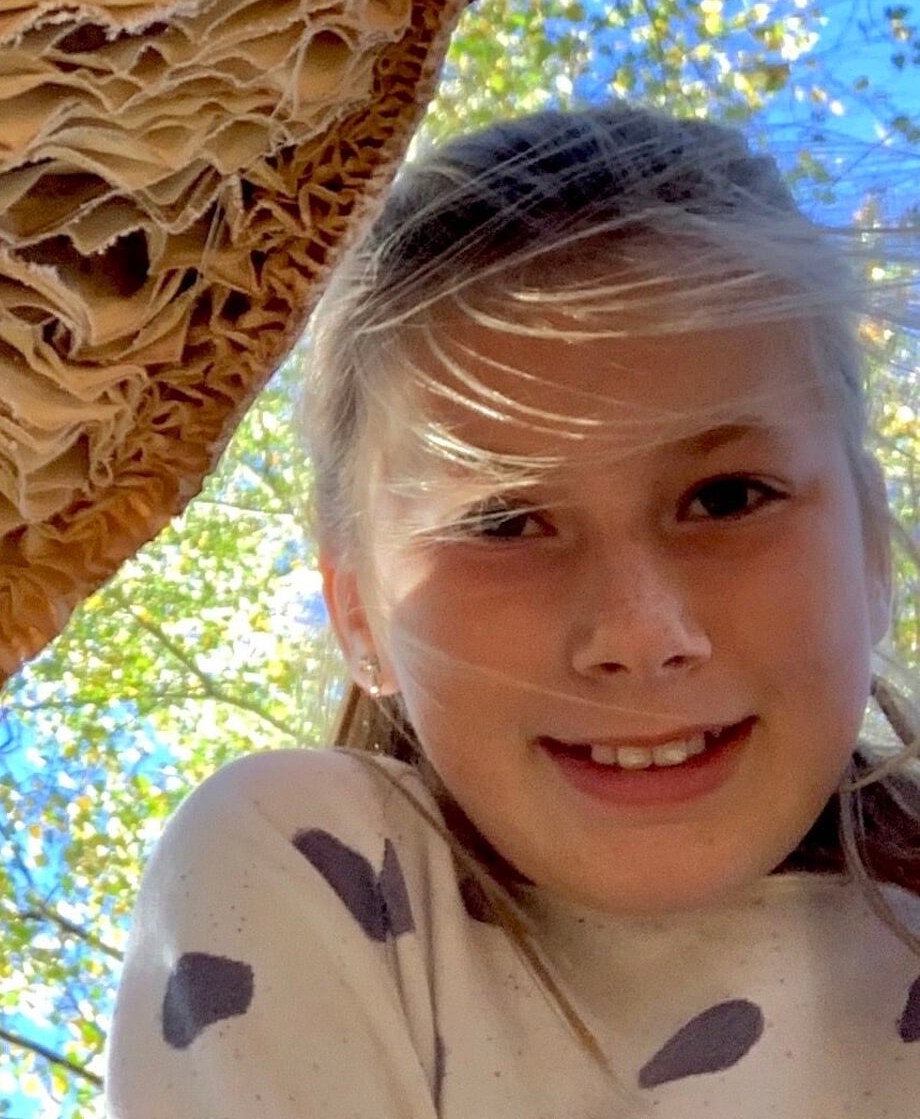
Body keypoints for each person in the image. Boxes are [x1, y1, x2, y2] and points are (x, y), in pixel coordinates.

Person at [103, 106, 920, 1117]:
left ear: (873, 548)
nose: (639, 632)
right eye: (504, 521)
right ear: (358, 612)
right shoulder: (310, 875)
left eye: (726, 497)